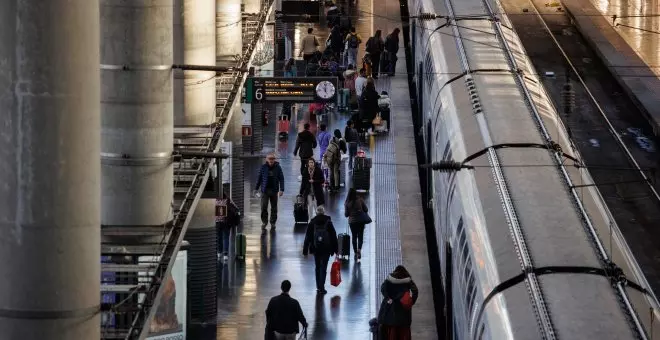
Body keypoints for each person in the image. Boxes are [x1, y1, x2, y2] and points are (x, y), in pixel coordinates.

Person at [302, 206, 338, 294]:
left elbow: (308, 237)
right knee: (323, 268)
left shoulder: (312, 222)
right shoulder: (328, 222)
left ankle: (318, 286)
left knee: (317, 267)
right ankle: (322, 287)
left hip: (316, 248)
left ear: (317, 213)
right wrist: (336, 250)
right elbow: (333, 236)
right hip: (326, 248)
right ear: (324, 212)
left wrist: (305, 249)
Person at [377, 265, 419, 340]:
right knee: (403, 330)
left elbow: (383, 288)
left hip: (390, 307)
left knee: (391, 329)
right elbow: (415, 291)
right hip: (403, 309)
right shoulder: (408, 280)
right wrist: (412, 301)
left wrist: (388, 298)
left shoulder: (390, 279)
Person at [255, 153, 285, 231]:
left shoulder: (278, 167)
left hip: (274, 191)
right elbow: (259, 178)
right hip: (265, 191)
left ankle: (273, 222)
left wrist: (282, 189)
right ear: (266, 159)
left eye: (272, 159)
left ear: (274, 160)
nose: (271, 160)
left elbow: (281, 178)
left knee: (274, 208)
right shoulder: (263, 167)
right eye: (270, 159)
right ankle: (264, 222)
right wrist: (256, 189)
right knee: (263, 207)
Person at [344, 187, 368, 260]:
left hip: (352, 222)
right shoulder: (360, 200)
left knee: (354, 236)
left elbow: (346, 215)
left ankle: (355, 252)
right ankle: (359, 250)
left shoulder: (347, 203)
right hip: (361, 221)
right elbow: (366, 209)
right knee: (360, 236)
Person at [216, 192, 241, 260]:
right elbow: (234, 210)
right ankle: (225, 255)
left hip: (217, 222)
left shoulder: (215, 200)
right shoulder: (227, 200)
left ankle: (219, 252)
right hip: (226, 222)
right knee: (225, 237)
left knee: (219, 237)